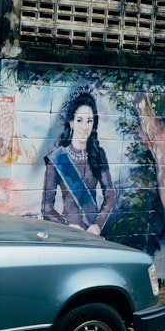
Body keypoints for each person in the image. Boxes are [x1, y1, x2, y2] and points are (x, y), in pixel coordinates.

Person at [41, 91, 116, 235]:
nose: (84, 127)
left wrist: (97, 225)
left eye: (89, 121)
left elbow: (110, 194)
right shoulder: (56, 159)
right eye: (79, 120)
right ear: (71, 122)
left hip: (93, 232)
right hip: (69, 233)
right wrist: (66, 226)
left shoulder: (98, 155)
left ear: (94, 123)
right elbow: (46, 207)